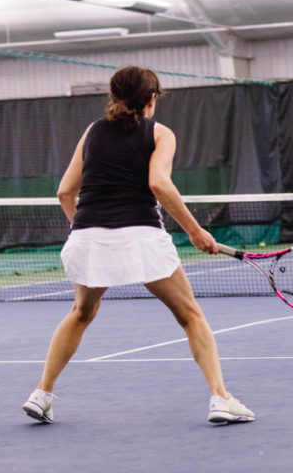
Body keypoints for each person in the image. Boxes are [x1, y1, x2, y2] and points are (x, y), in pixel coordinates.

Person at [21, 66, 255, 425]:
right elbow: (159, 184)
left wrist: (85, 232)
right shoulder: (161, 134)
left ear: (115, 98)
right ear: (151, 99)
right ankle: (220, 399)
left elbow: (64, 192)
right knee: (191, 316)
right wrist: (195, 231)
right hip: (141, 237)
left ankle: (41, 394)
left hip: (87, 237)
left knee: (80, 313)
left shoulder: (92, 132)